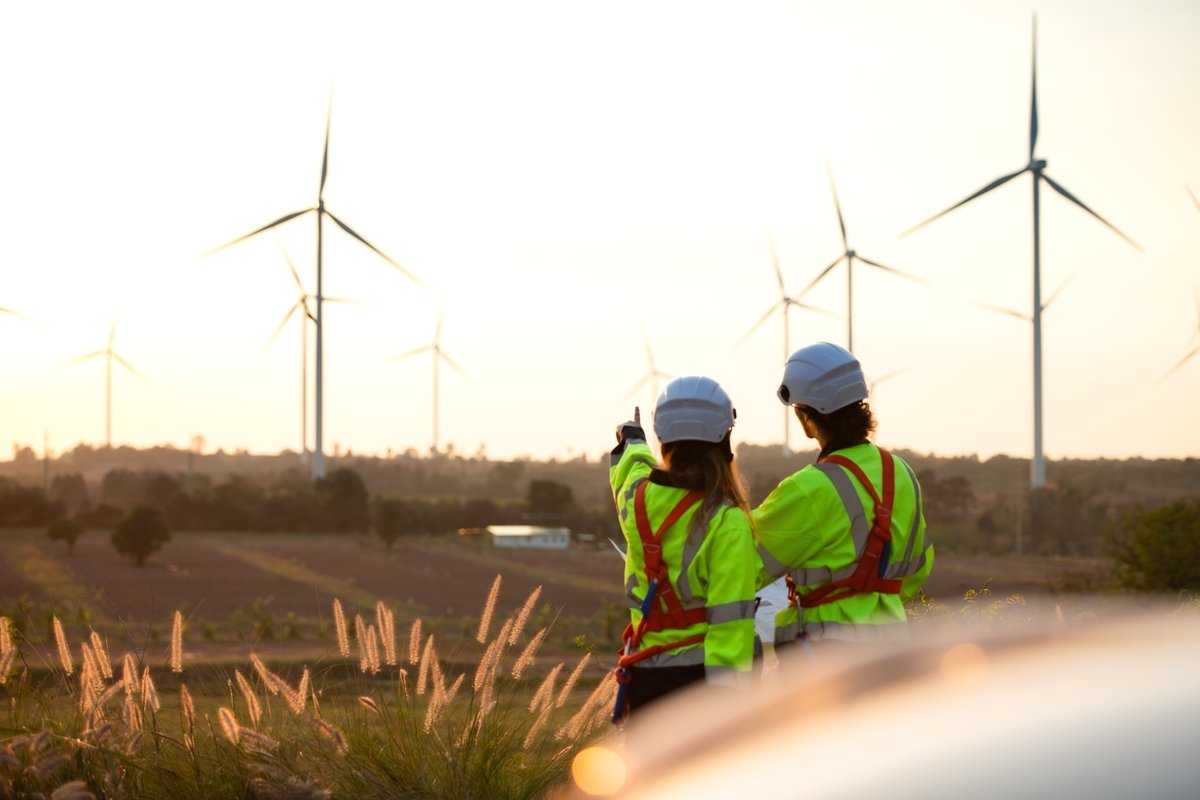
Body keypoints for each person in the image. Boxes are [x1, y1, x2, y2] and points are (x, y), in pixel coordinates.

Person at [753, 342, 933, 652]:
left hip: (824, 653)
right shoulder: (902, 473)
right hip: (894, 646)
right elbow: (919, 566)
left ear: (805, 415)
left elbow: (739, 563)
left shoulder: (808, 488)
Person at [609, 376, 759, 721]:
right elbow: (731, 627)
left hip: (645, 679)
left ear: (663, 440)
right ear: (724, 440)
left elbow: (629, 471)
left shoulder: (637, 501)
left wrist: (631, 440)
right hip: (701, 685)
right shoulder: (727, 522)